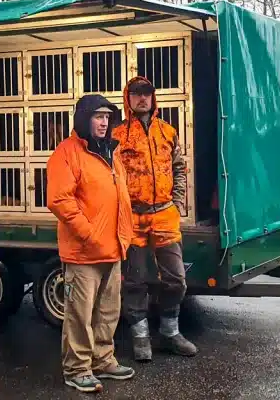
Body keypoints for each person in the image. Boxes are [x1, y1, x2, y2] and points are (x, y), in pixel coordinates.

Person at [46, 94, 135, 393]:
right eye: (98, 116)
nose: (104, 122)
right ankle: (77, 369)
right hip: (83, 253)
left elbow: (120, 197)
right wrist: (89, 234)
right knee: (79, 315)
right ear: (84, 119)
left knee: (108, 312)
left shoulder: (111, 152)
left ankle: (102, 360)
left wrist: (125, 236)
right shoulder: (66, 153)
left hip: (113, 249)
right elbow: (59, 200)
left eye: (107, 117)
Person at [112, 76, 198, 361]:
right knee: (134, 281)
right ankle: (140, 338)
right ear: (128, 98)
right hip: (133, 218)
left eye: (146, 93)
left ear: (153, 98)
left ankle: (170, 333)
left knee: (176, 279)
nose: (142, 98)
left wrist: (176, 203)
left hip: (164, 215)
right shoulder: (117, 135)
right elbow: (111, 176)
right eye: (136, 93)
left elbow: (179, 168)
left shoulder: (167, 132)